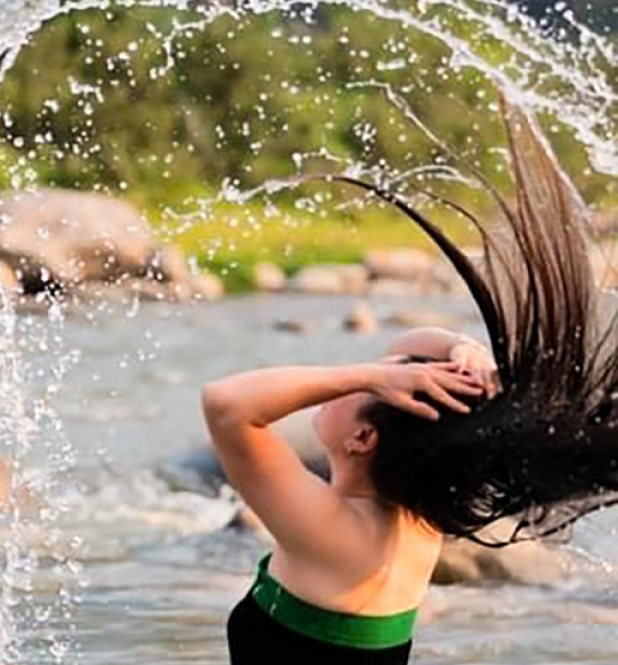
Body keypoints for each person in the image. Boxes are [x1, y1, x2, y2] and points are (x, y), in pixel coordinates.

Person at [202, 98, 618, 663]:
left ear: (363, 438)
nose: (371, 370)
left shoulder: (329, 529)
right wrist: (461, 352)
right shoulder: (418, 517)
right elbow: (408, 346)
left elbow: (226, 404)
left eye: (365, 388)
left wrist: (365, 374)